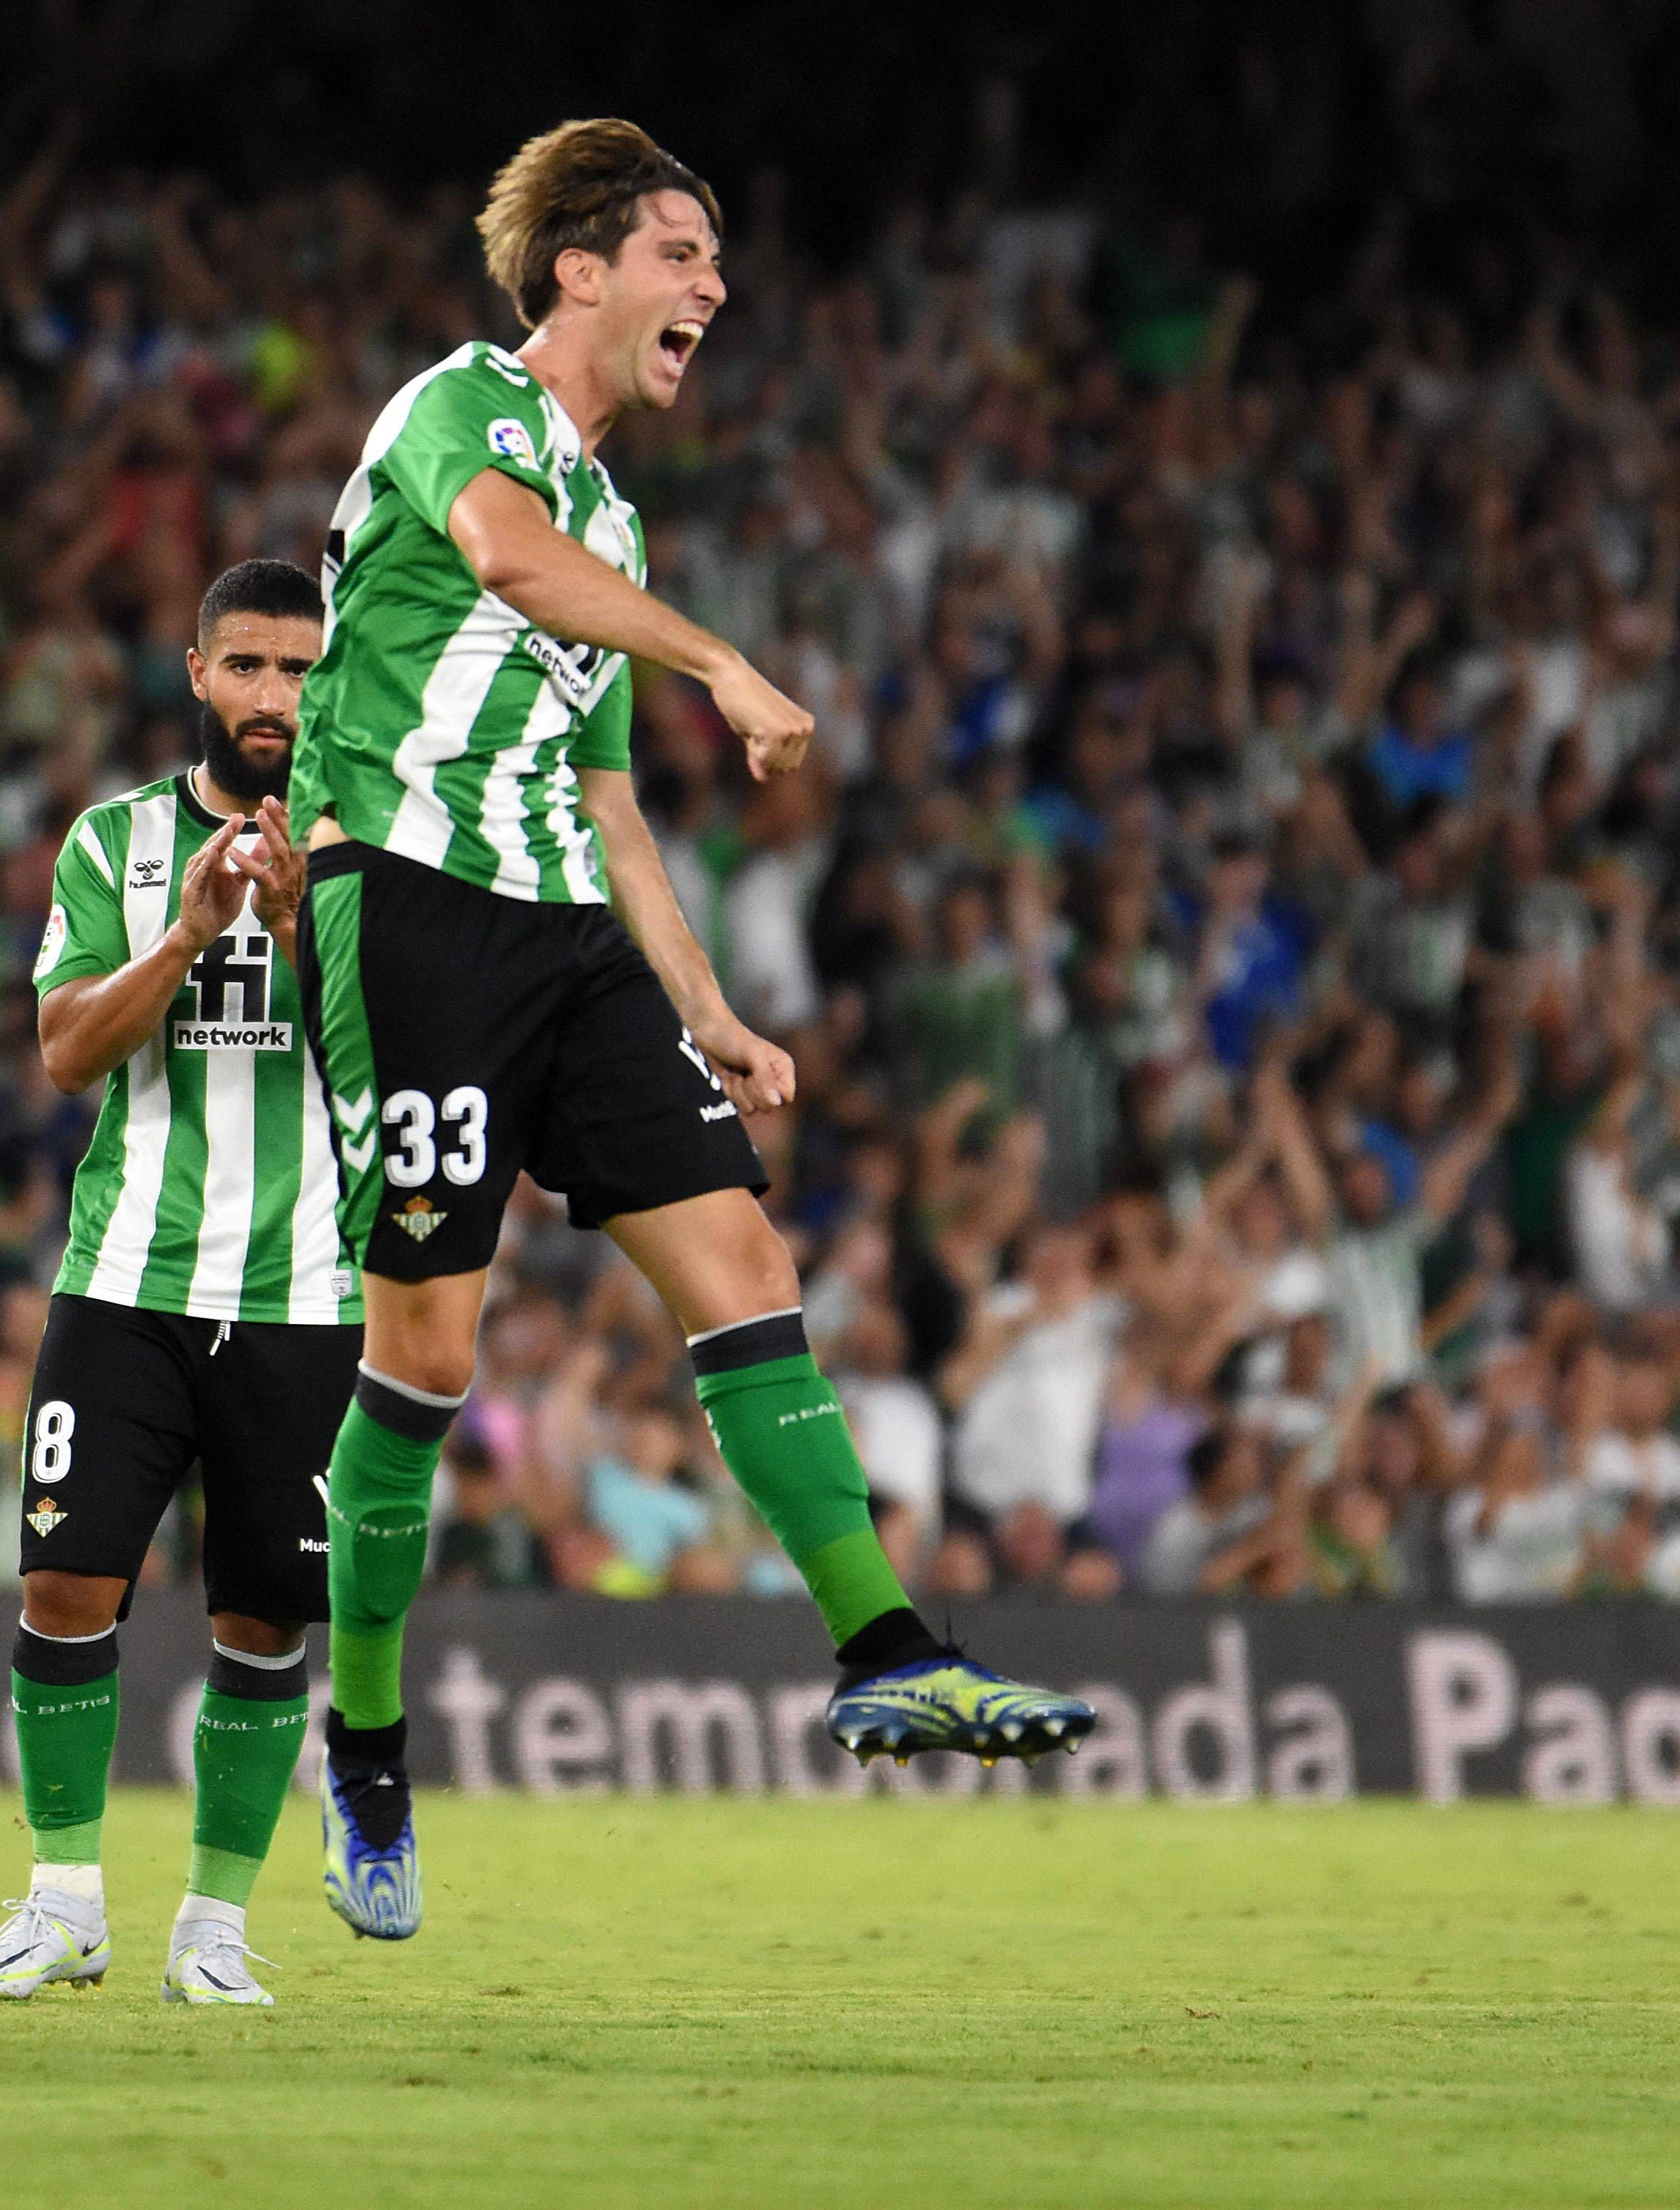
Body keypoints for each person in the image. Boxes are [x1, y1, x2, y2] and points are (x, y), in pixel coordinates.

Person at [286, 121, 1090, 1940]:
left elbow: (609, 801)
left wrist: (706, 1003)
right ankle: (369, 1748)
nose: (713, 289)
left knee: (742, 1260)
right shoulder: (461, 412)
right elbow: (501, 562)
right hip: (404, 903)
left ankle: (887, 1651)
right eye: (681, 254)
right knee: (426, 1358)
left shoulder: (620, 523)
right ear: (579, 270)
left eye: (714, 262)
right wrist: (720, 658)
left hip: (570, 939)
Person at [0, 558, 353, 2011]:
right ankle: (63, 1903)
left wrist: (303, 928)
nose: (273, 695)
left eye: (299, 669)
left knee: (265, 1621)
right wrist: (188, 935)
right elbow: (64, 1051)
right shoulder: (111, 842)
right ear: (196, 674)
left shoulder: (369, 848)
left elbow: (402, 1063)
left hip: (308, 1294)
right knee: (66, 1580)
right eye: (248, 665)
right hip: (126, 1279)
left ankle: (214, 1927)